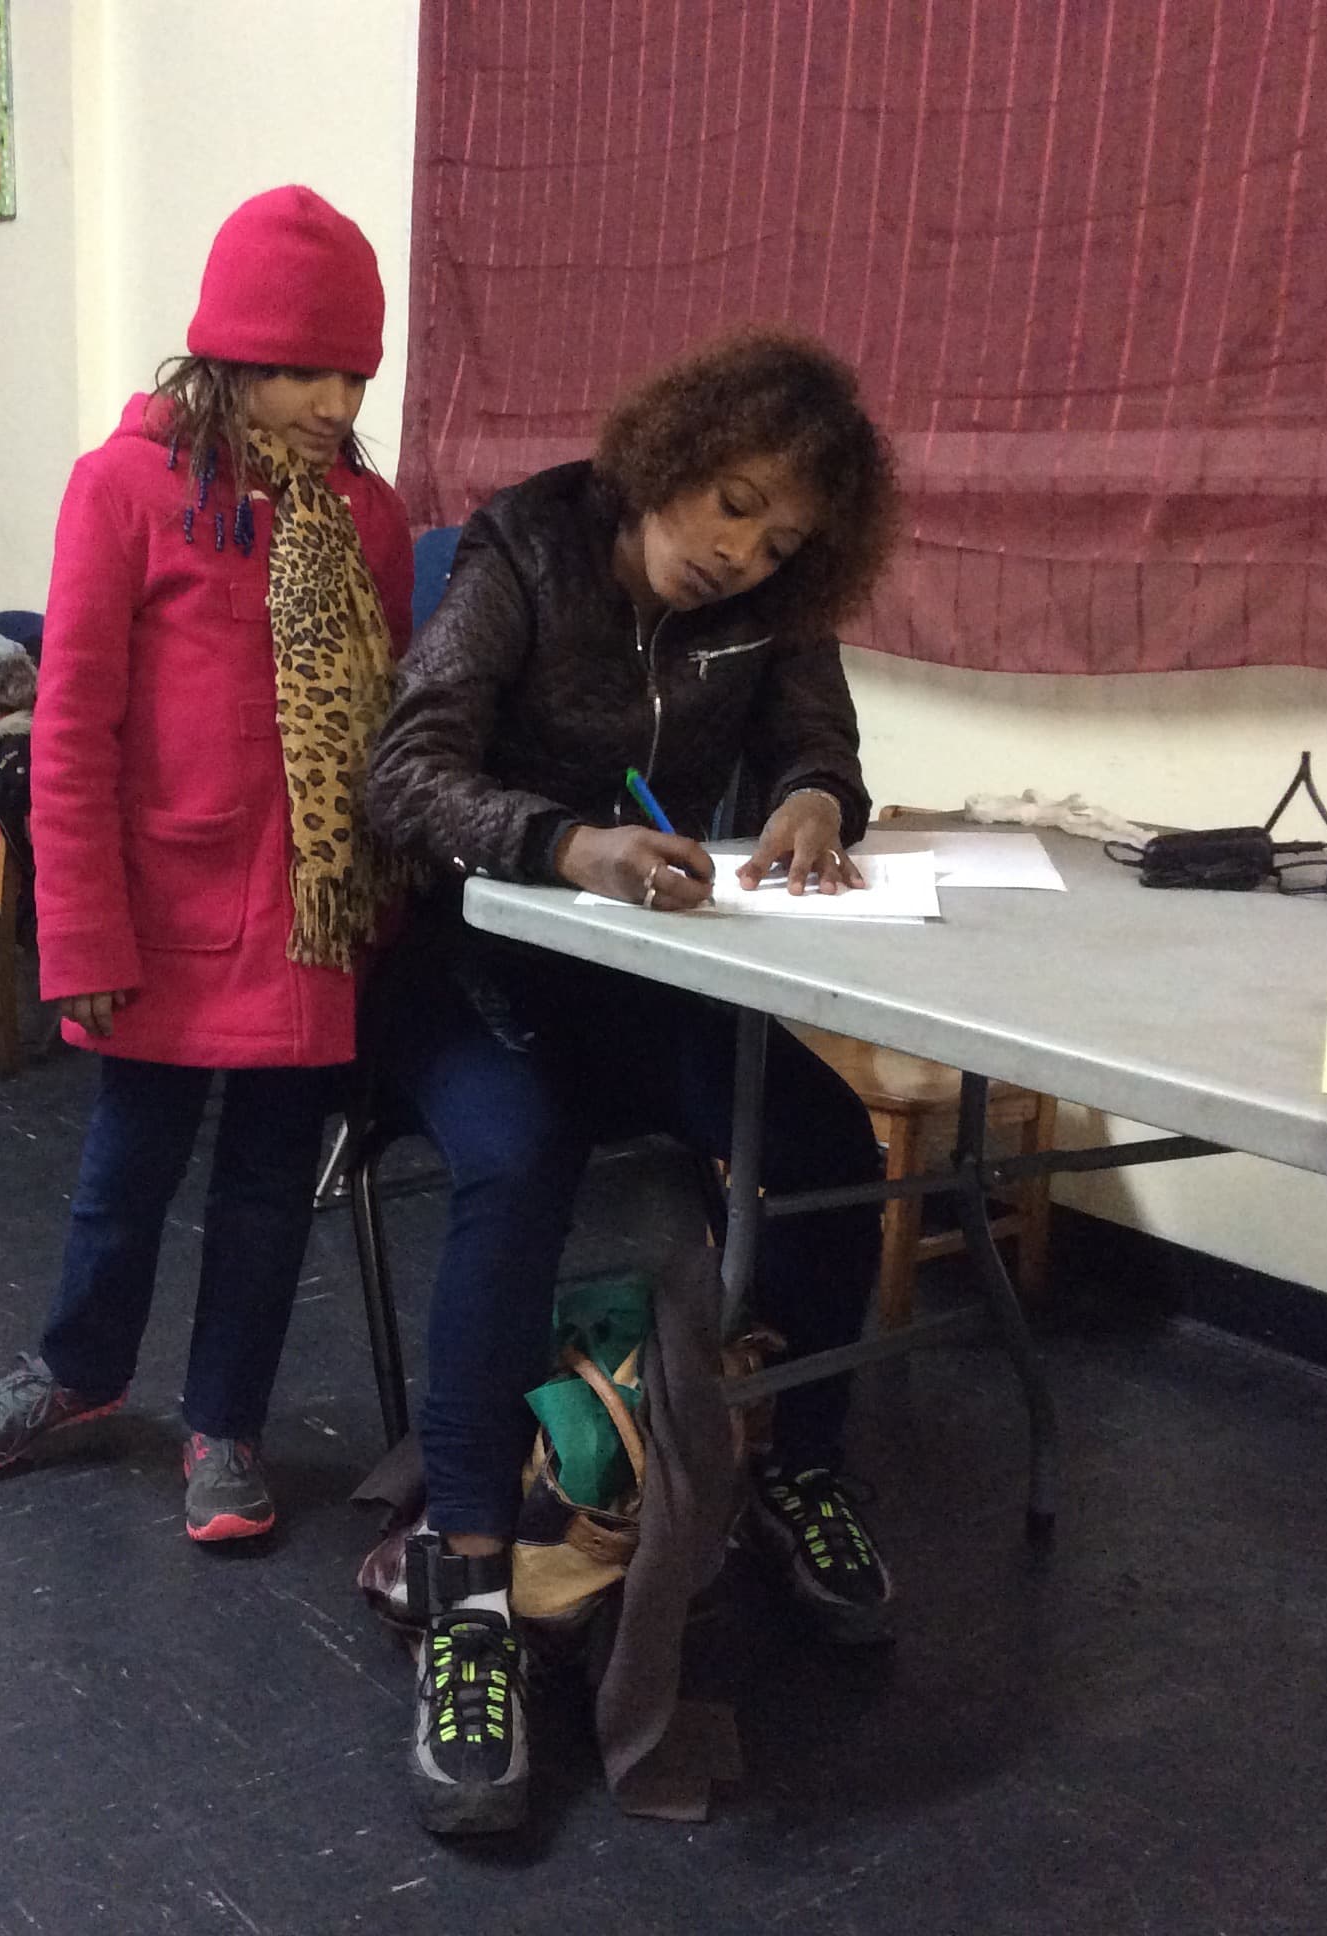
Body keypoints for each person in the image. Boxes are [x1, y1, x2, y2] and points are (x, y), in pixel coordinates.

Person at [363, 330, 902, 1833]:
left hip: (632, 967)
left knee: (825, 1130)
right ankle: (469, 1586)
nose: (744, 553)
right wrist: (562, 840)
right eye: (730, 503)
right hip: (468, 962)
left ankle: (796, 1460)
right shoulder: (523, 551)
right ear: (667, 457)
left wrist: (809, 796)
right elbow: (403, 774)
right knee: (519, 1156)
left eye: (782, 535)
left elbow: (821, 740)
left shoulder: (771, 613)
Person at [0, 187, 415, 1545]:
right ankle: (81, 1372)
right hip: (160, 911)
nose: (335, 397)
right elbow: (73, 732)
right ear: (233, 356)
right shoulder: (122, 490)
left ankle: (226, 1424)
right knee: (124, 1170)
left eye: (355, 373)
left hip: (310, 925)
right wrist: (78, 937)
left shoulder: (365, 519)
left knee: (268, 1195)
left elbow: (373, 734)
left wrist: (371, 920)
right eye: (307, 367)